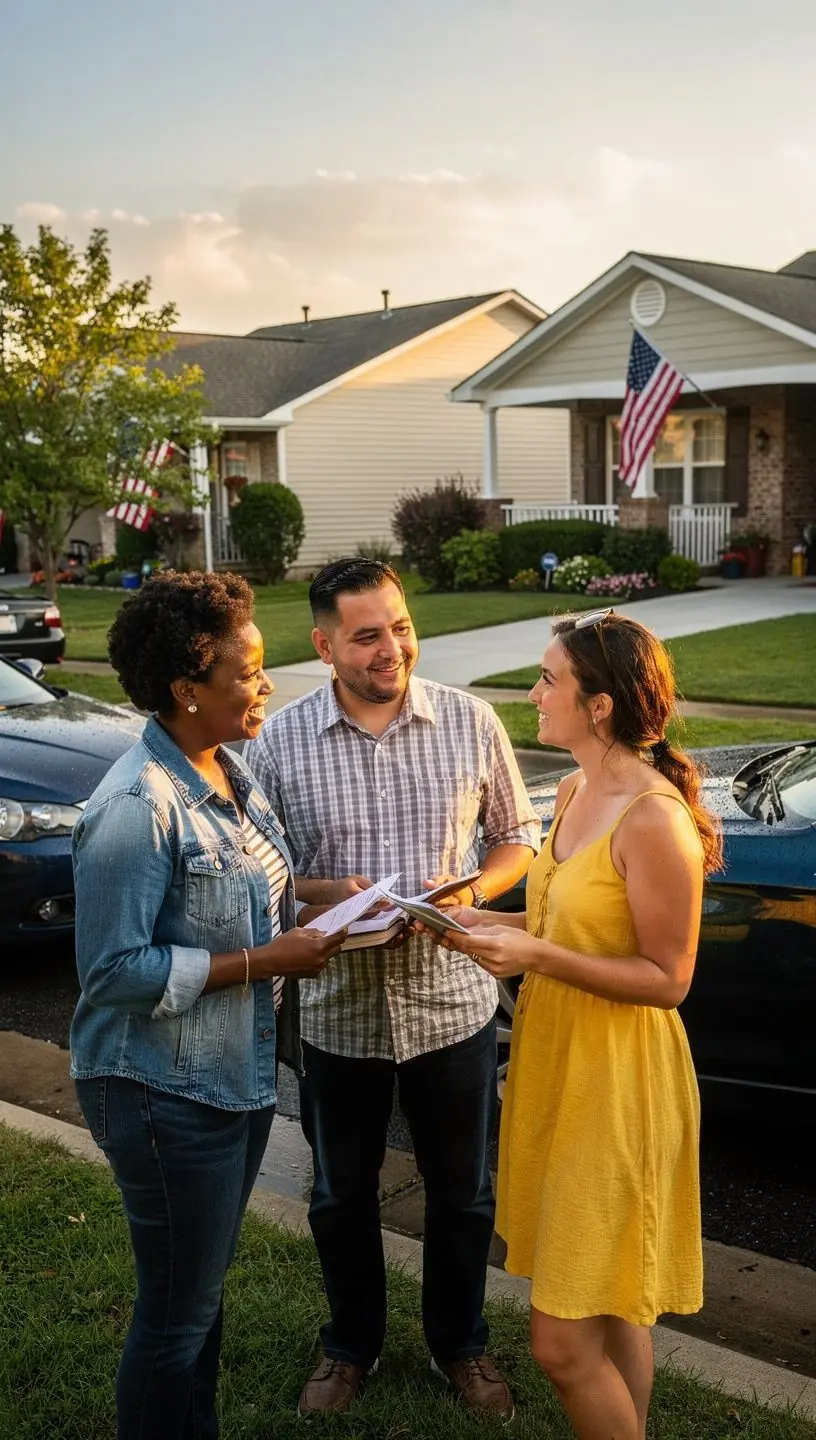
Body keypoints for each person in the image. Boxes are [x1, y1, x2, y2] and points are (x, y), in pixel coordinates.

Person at [247, 558, 539, 1420]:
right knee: (340, 1193)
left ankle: (463, 1345)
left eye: (400, 626)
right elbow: (262, 870)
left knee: (463, 1192)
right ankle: (349, 1347)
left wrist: (472, 895)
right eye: (368, 635)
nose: (392, 648)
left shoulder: (469, 719)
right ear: (325, 643)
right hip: (340, 1011)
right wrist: (322, 894)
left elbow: (516, 836)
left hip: (452, 1002)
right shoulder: (276, 740)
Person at [428, 609, 722, 1440]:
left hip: (621, 1081)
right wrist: (480, 922)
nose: (534, 693)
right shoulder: (570, 789)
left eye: (550, 678)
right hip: (560, 1064)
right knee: (615, 1304)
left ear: (599, 706)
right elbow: (561, 923)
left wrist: (537, 959)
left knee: (561, 1343)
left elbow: (669, 980)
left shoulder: (653, 819)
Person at [70, 571, 346, 1440]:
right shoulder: (134, 807)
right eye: (250, 674)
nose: (268, 686)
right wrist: (268, 959)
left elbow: (244, 888)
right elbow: (113, 970)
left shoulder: (226, 768)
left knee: (199, 1296)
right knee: (176, 1313)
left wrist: (340, 904)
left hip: (232, 1076)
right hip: (159, 1092)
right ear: (188, 689)